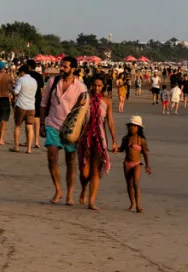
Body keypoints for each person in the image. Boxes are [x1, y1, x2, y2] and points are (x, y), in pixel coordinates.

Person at [41, 56, 87, 205]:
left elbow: (84, 110)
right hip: (52, 124)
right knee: (52, 157)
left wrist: (82, 131)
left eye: (65, 67)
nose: (61, 68)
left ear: (73, 69)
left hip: (71, 128)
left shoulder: (81, 87)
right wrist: (42, 123)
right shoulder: (52, 82)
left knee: (70, 159)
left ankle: (70, 195)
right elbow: (44, 103)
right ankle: (58, 190)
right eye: (61, 66)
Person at [78, 75, 117, 211]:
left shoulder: (107, 101)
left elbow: (110, 121)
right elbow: (75, 115)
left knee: (95, 171)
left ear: (104, 86)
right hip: (84, 137)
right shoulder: (84, 97)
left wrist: (114, 141)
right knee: (84, 172)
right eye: (94, 85)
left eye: (99, 85)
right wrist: (80, 106)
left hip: (100, 138)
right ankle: (84, 189)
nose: (96, 88)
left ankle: (92, 201)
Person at [121, 115, 151, 212]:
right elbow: (121, 149)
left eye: (135, 126)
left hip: (137, 163)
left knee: (136, 184)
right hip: (127, 164)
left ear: (139, 128)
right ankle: (132, 204)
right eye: (131, 126)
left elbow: (145, 153)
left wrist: (147, 165)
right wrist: (112, 149)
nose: (132, 128)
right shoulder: (125, 139)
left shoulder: (141, 140)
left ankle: (138, 205)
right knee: (129, 185)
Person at [11, 64, 38, 153]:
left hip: (21, 105)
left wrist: (11, 89)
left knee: (17, 125)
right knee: (29, 126)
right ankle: (29, 148)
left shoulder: (21, 80)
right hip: (31, 106)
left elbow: (15, 92)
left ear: (22, 72)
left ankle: (16, 146)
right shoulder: (34, 81)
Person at [27, 60, 44, 149]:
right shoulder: (39, 75)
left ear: (29, 66)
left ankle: (28, 141)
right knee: (37, 119)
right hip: (38, 98)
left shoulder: (26, 75)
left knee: (28, 120)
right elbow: (41, 87)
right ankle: (37, 141)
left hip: (29, 98)